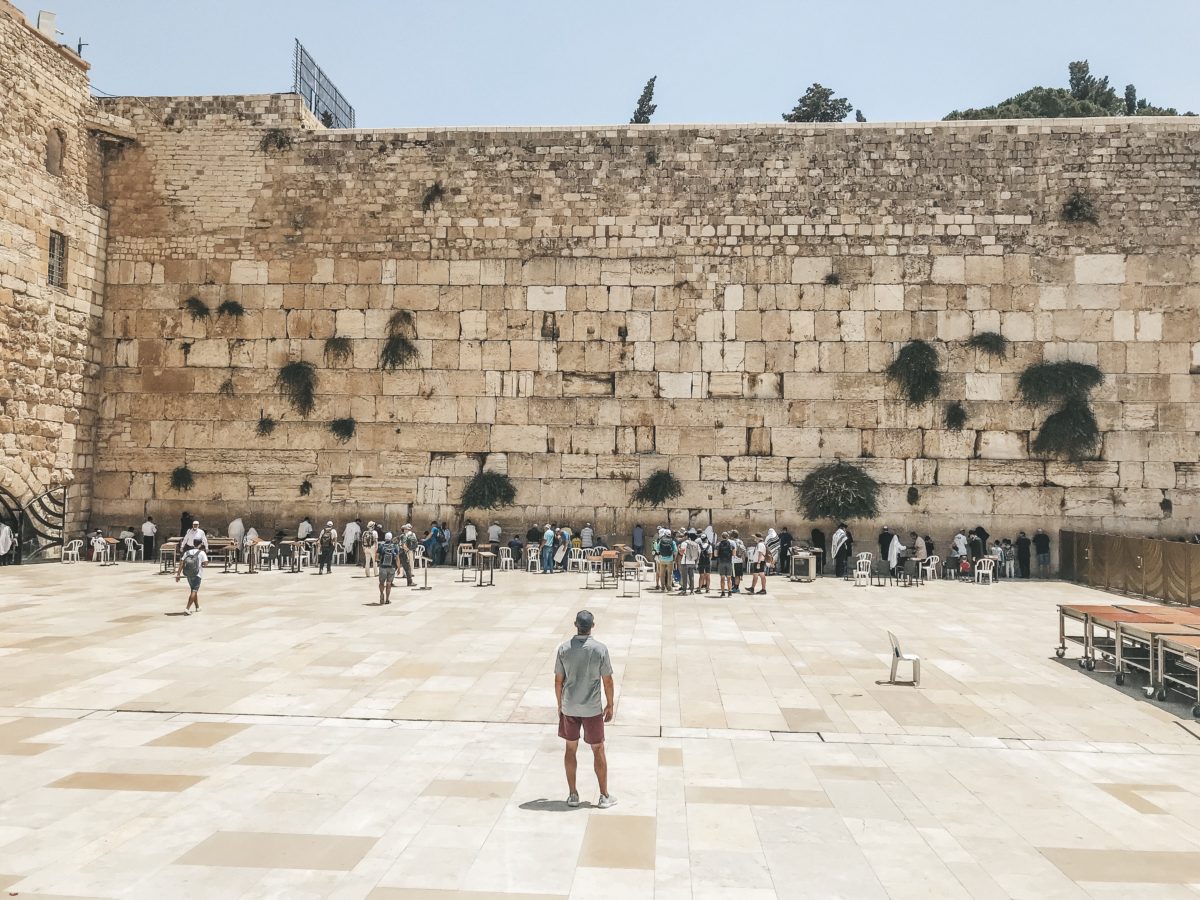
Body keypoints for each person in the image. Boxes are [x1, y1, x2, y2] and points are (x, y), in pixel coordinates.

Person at [554, 610, 616, 810]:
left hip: (570, 706)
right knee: (598, 748)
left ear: (575, 624)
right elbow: (607, 680)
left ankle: (573, 794)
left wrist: (559, 705)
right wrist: (610, 704)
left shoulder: (564, 649)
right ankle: (604, 795)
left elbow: (558, 680)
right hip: (591, 708)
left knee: (570, 748)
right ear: (592, 626)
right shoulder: (600, 650)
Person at [174, 538, 207, 615]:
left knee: (193, 590)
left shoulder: (187, 552)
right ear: (201, 544)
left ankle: (197, 607)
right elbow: (205, 563)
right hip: (197, 574)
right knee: (194, 591)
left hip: (188, 574)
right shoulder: (201, 553)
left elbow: (181, 563)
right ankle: (187, 608)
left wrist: (178, 574)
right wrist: (202, 564)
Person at [377, 532, 400, 603]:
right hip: (392, 567)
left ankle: (381, 594)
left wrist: (380, 560)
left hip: (383, 567)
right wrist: (399, 568)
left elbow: (376, 557)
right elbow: (397, 558)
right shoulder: (395, 546)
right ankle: (387, 599)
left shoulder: (381, 545)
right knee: (389, 583)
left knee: (381, 582)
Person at [678, 530, 699, 595]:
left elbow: (681, 553)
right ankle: (692, 590)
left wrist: (679, 548)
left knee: (684, 577)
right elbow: (698, 554)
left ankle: (684, 590)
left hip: (685, 562)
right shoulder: (696, 544)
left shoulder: (684, 543)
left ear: (688, 537)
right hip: (692, 562)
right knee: (691, 576)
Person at [716, 531, 734, 596]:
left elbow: (715, 554)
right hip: (729, 562)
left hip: (721, 562)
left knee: (722, 578)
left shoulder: (718, 544)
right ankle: (729, 592)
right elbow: (734, 554)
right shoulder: (731, 543)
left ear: (721, 537)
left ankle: (723, 593)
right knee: (729, 578)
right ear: (728, 536)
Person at [697, 528, 712, 594]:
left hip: (701, 562)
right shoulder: (709, 546)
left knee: (701, 576)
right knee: (708, 576)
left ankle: (699, 589)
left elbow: (697, 555)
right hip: (707, 562)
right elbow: (710, 555)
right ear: (706, 539)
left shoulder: (698, 546)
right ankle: (707, 589)